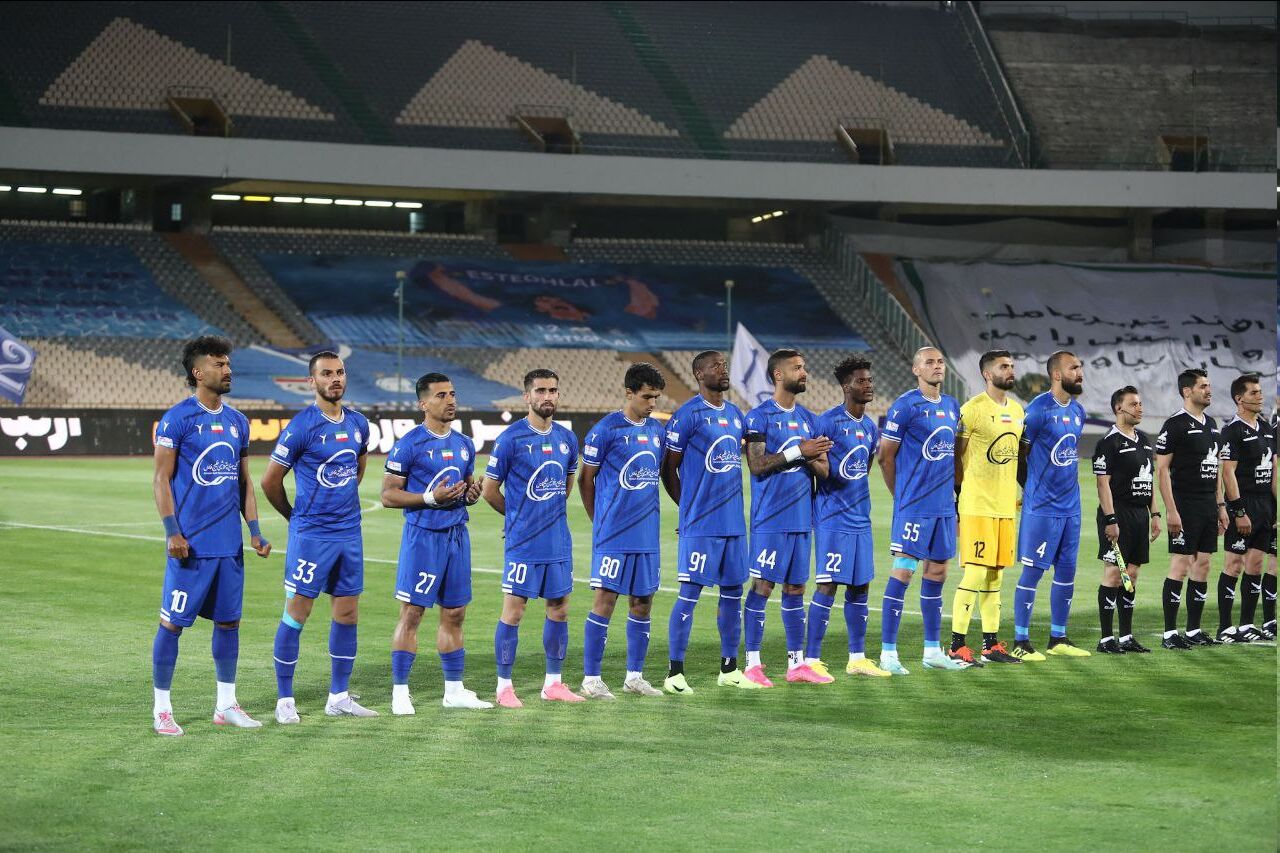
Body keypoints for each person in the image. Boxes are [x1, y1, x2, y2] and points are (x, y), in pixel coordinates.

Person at [151, 336, 271, 736]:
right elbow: (161, 479)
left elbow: (244, 482)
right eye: (219, 364)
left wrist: (254, 531)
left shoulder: (238, 422)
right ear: (198, 372)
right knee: (172, 625)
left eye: (228, 363)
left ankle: (226, 705)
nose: (228, 370)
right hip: (190, 547)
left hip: (229, 546)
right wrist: (172, 532)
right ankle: (162, 709)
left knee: (229, 624)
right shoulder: (177, 419)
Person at [262, 351, 377, 722]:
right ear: (312, 381)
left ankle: (338, 697)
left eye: (340, 372)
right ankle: (284, 700)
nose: (335, 379)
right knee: (297, 612)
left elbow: (358, 465)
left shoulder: (358, 423)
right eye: (326, 374)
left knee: (347, 612)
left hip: (349, 533)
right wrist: (293, 517)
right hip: (311, 535)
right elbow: (270, 481)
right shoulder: (301, 427)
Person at [382, 373, 492, 711]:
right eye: (441, 395)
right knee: (413, 613)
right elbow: (388, 495)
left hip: (457, 535)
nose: (450, 400)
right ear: (423, 403)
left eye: (453, 394)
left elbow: (466, 487)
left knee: (455, 613)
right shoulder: (409, 444)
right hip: (423, 538)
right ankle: (400, 692)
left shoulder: (464, 444)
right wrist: (430, 498)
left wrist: (471, 494)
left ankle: (454, 691)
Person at [482, 369, 585, 707]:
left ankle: (553, 683)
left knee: (560, 609)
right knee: (514, 611)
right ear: (527, 396)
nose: (547, 396)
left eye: (553, 390)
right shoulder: (510, 439)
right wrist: (517, 518)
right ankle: (504, 687)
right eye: (540, 391)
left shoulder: (567, 439)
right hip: (523, 543)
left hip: (558, 541)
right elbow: (489, 490)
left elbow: (565, 485)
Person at [662, 351, 761, 693]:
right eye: (715, 366)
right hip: (701, 525)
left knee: (733, 595)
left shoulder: (735, 415)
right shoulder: (687, 415)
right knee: (689, 594)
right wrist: (688, 509)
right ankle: (675, 673)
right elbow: (668, 468)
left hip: (733, 524)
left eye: (724, 365)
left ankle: (729, 669)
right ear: (699, 374)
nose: (723, 369)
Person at [577, 363, 668, 699]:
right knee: (605, 600)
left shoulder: (656, 431)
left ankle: (634, 677)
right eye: (646, 397)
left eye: (656, 397)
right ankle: (591, 679)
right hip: (613, 534)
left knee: (643, 602)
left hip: (647, 534)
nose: (652, 403)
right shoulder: (605, 430)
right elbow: (585, 479)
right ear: (629, 393)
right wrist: (598, 521)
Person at [877, 346, 971, 674]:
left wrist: (958, 496)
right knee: (903, 572)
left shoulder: (951, 406)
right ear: (916, 369)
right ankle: (888, 653)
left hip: (944, 507)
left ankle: (932, 651)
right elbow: (885, 456)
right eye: (929, 362)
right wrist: (901, 497)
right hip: (914, 507)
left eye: (940, 361)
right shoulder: (905, 406)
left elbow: (953, 456)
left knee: (937, 573)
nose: (937, 366)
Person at [742, 350, 833, 685]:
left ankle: (797, 665)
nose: (804, 372)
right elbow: (757, 465)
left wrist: (811, 456)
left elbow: (824, 470)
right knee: (763, 586)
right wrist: (799, 451)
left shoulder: (810, 419)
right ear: (778, 375)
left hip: (801, 519)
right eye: (797, 368)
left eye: (804, 367)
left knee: (796, 588)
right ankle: (752, 664)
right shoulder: (759, 417)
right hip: (770, 519)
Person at [810, 356, 890, 677]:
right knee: (828, 585)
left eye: (870, 380)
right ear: (846, 386)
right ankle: (811, 660)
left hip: (860, 519)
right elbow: (817, 467)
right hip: (832, 518)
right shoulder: (827, 423)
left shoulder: (869, 427)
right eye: (861, 381)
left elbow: (863, 470)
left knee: (860, 586)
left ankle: (857, 658)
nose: (868, 385)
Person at [1011, 350, 1091, 659]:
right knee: (1033, 573)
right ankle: (1020, 642)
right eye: (1074, 368)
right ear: (1057, 374)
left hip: (1071, 508)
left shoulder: (1078, 411)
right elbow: (1019, 455)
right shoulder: (1037, 411)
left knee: (1067, 572)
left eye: (1080, 367)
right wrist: (1030, 489)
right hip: (1042, 508)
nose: (1079, 373)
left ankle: (1058, 639)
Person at [949, 349, 1024, 666]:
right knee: (976, 573)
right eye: (1003, 366)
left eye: (1011, 366)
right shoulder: (972, 410)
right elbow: (956, 457)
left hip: (1006, 506)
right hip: (977, 505)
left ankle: (991, 645)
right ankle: (957, 646)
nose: (1010, 370)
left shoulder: (1018, 411)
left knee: (995, 577)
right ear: (987, 374)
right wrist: (959, 498)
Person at [1155, 369, 1229, 649]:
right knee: (1181, 564)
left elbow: (1216, 469)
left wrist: (1220, 506)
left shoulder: (1212, 424)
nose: (1209, 391)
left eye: (1209, 386)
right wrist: (1171, 511)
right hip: (1184, 504)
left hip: (1208, 505)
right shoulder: (1174, 424)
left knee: (1203, 565)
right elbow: (1162, 470)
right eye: (1203, 386)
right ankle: (1169, 634)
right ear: (1187, 391)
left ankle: (1194, 630)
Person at [1091, 386, 1160, 654]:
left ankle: (1126, 637)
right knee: (1113, 573)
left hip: (1140, 516)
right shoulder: (1108, 443)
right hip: (1117, 514)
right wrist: (1110, 519)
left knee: (1131, 574)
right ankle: (1106, 639)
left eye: (1140, 403)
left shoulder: (1144, 440)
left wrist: (1155, 514)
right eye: (1133, 404)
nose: (1139, 408)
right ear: (1119, 408)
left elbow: (1149, 481)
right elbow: (1102, 485)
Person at [1216, 374, 1276, 643]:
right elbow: (1228, 473)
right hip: (1244, 502)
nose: (1260, 396)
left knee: (1255, 565)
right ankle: (1225, 627)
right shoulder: (1232, 431)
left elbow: (1274, 470)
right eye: (1254, 392)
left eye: (1260, 392)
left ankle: (1246, 625)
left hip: (1265, 505)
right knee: (1234, 564)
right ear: (1239, 399)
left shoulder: (1267, 429)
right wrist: (1239, 511)